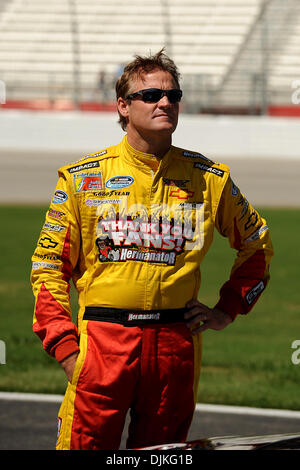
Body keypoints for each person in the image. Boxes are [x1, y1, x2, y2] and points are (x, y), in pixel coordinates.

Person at [30, 49, 274, 450]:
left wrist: (228, 309)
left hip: (174, 345)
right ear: (123, 106)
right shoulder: (81, 178)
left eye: (173, 96)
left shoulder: (209, 179)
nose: (165, 102)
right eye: (151, 96)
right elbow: (47, 269)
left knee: (162, 458)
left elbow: (257, 244)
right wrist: (69, 351)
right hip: (103, 344)